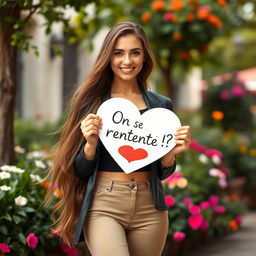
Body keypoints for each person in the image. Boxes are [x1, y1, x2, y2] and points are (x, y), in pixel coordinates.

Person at [46, 21, 191, 256]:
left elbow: (163, 172)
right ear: (108, 57)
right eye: (118, 53)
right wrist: (90, 145)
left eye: (135, 52)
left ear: (144, 57)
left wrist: (170, 153)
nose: (127, 61)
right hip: (105, 204)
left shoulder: (161, 107)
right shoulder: (92, 103)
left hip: (150, 207)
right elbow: (78, 170)